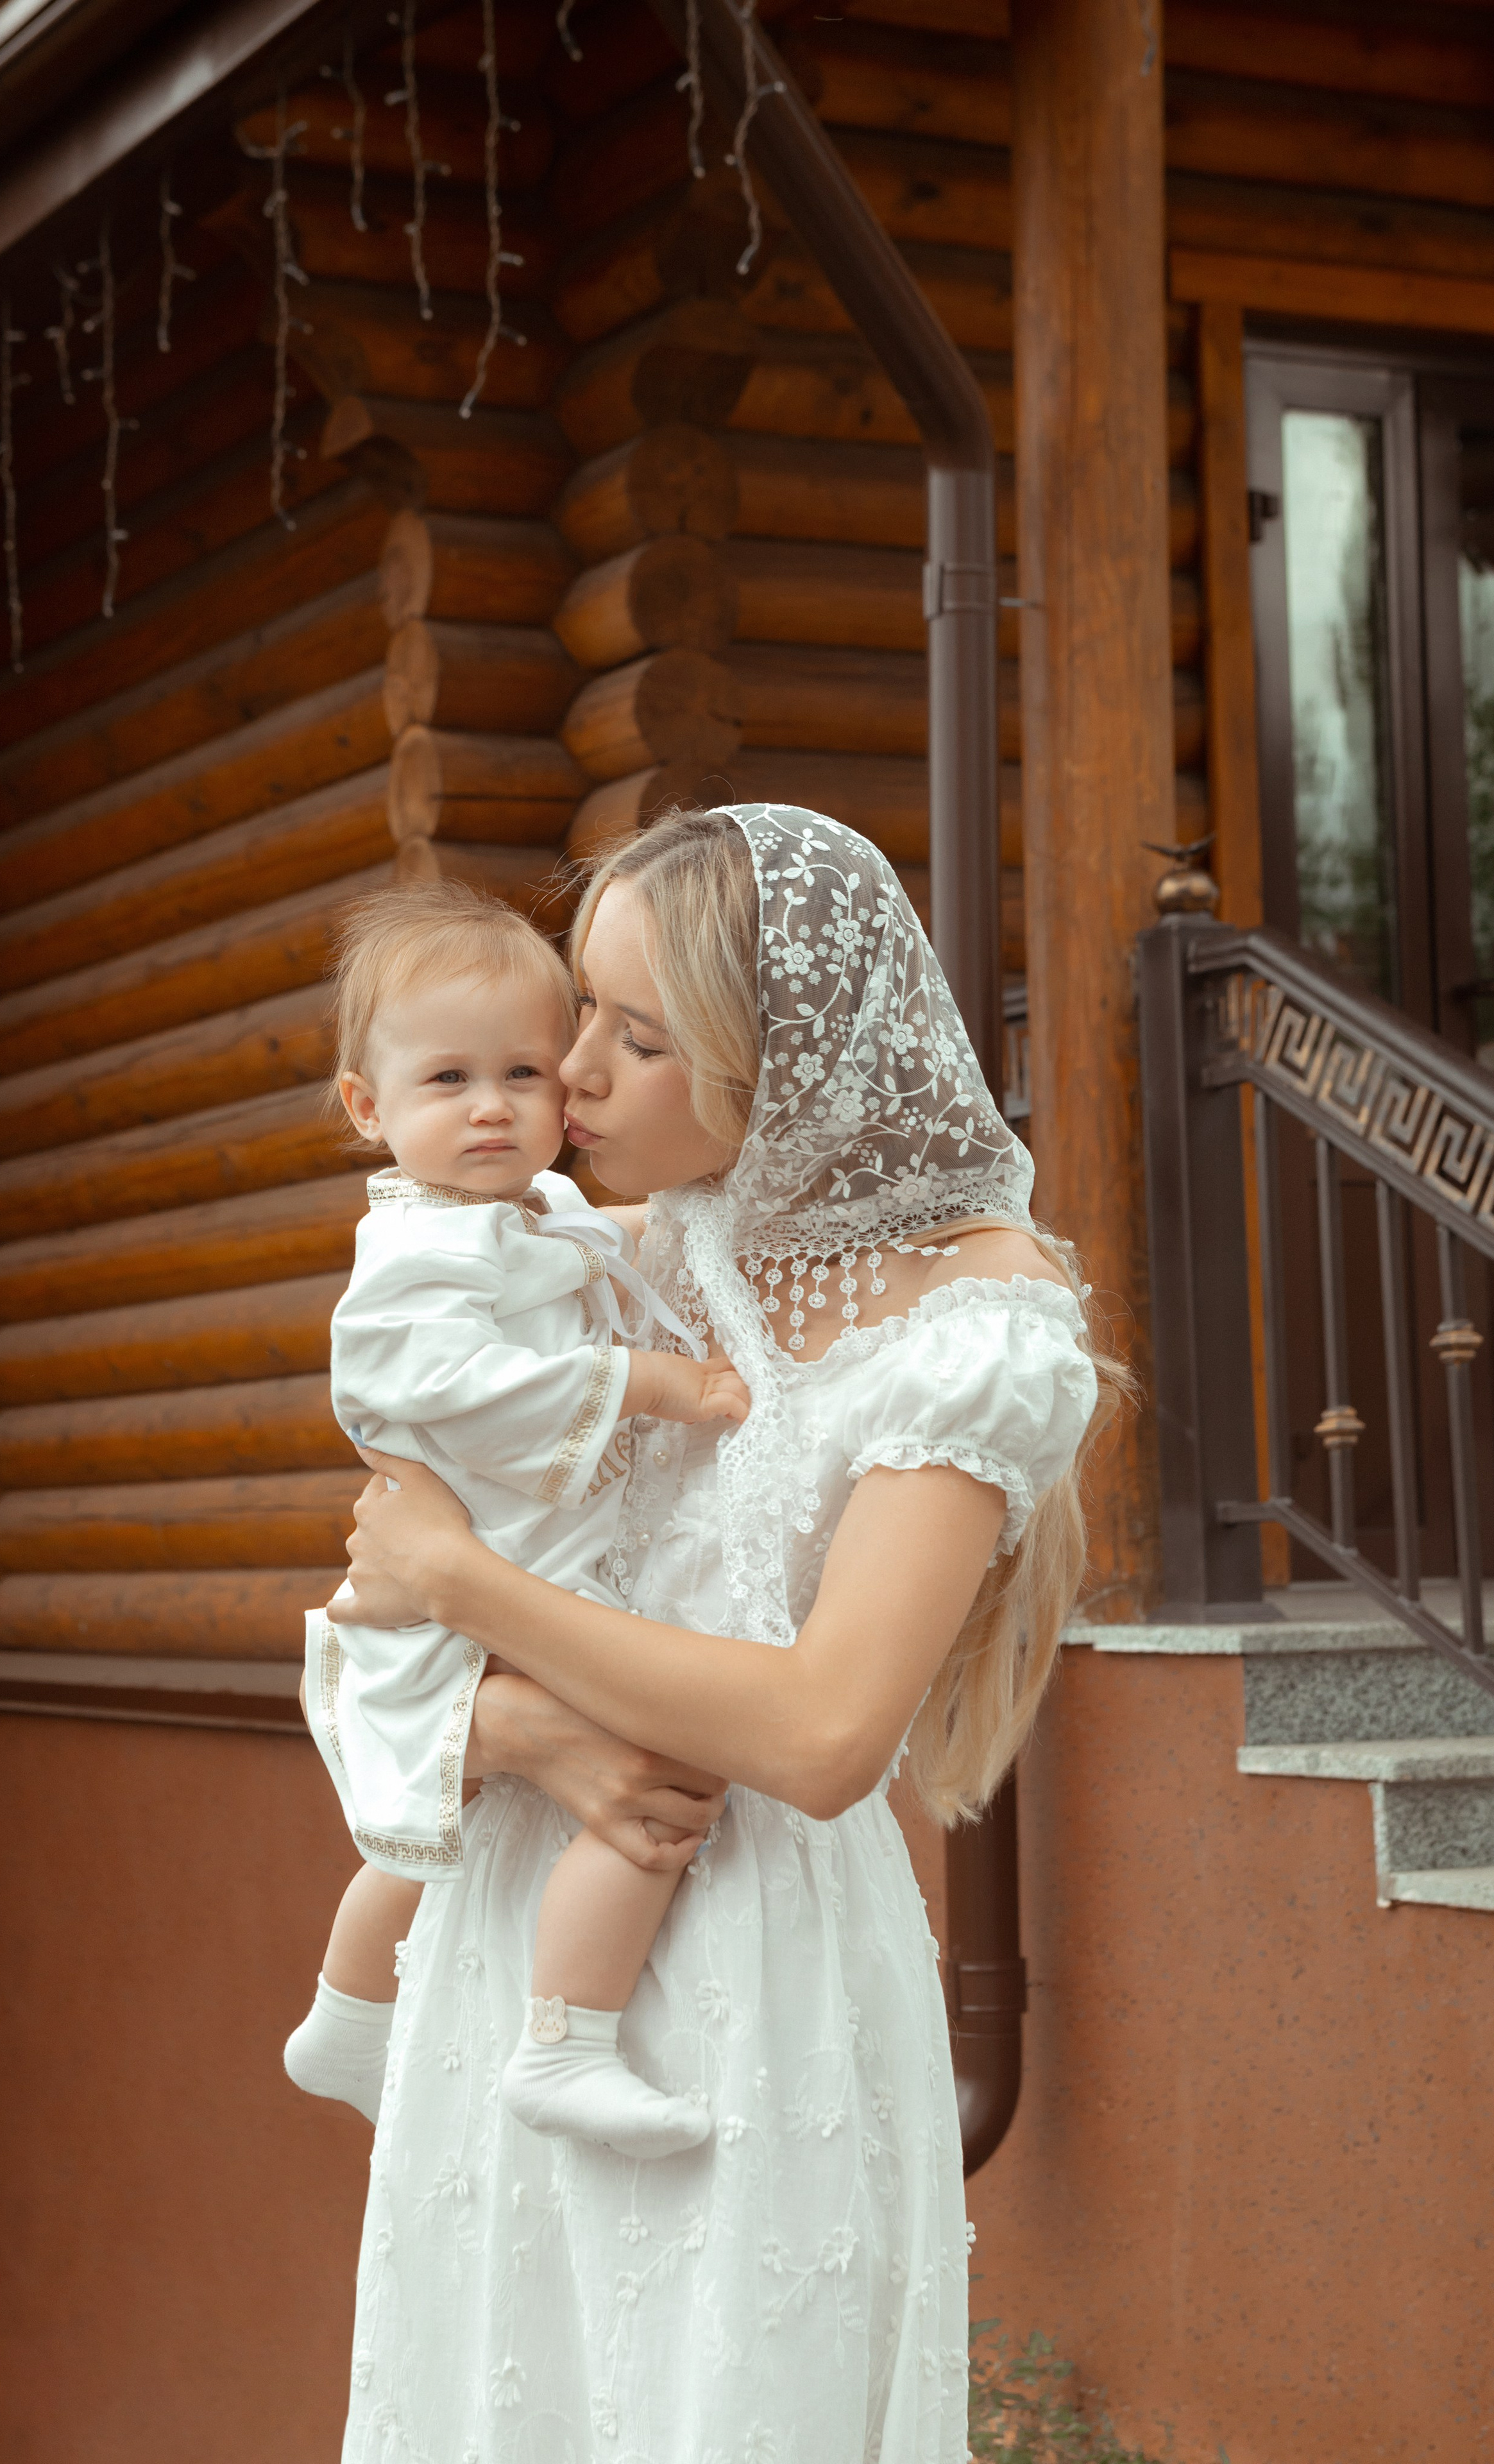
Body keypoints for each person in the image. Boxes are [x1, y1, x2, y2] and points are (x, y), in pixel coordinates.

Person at [328, 805, 1125, 2463]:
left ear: (788, 1056)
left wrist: (474, 1597)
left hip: (753, 1964)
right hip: (521, 1927)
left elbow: (826, 1737)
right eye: (576, 1024)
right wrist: (512, 1727)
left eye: (635, 1034)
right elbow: (361, 1610)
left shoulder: (978, 1331)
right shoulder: (632, 1257)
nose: (571, 1076)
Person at [284, 882, 749, 2154]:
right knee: (655, 1792)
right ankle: (565, 2046)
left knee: (448, 1825)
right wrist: (646, 1382)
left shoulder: (531, 1211)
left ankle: (342, 2020)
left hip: (522, 1569)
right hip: (489, 1582)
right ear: (368, 1108)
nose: (490, 1107)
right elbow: (437, 1387)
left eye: (522, 1074)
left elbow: (611, 1246)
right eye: (446, 1080)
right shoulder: (419, 1257)